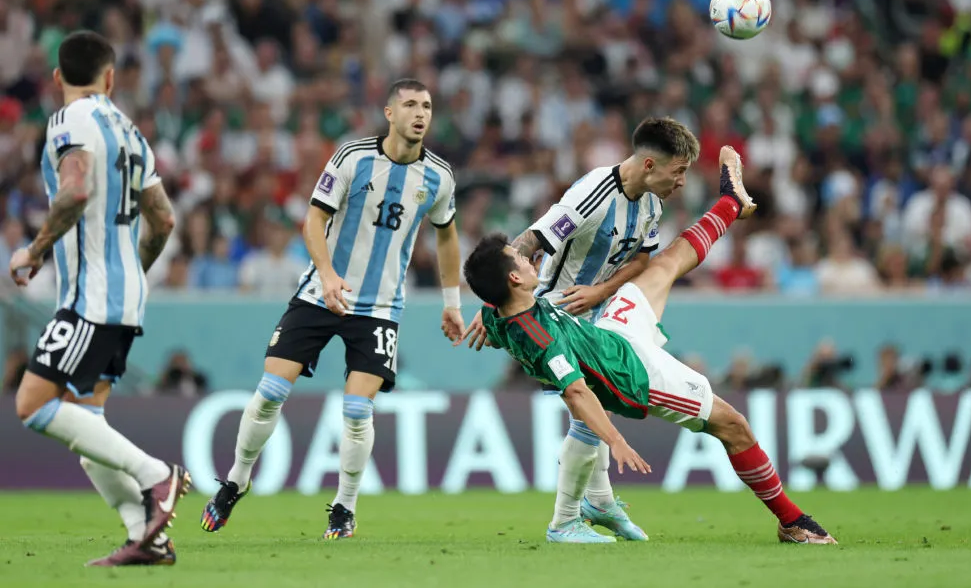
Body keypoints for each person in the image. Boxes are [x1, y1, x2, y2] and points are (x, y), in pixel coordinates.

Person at [463, 147, 837, 545]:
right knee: (733, 425)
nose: (529, 259)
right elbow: (576, 392)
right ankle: (792, 521)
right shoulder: (539, 330)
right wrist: (618, 441)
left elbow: (504, 292)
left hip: (612, 331)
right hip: (633, 374)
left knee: (667, 263)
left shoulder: (503, 311)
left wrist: (488, 303)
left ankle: (731, 203)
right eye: (517, 261)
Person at [200, 79, 466, 539]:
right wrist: (326, 276)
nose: (420, 113)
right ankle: (237, 481)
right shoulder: (352, 157)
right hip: (319, 295)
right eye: (409, 105)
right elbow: (315, 220)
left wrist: (451, 302)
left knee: (358, 411)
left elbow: (446, 235)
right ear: (389, 113)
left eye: (426, 106)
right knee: (268, 393)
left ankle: (343, 508)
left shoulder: (439, 176)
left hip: (380, 307)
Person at [461, 116, 698, 542]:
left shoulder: (652, 205)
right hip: (553, 311)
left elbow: (642, 260)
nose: (682, 181)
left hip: (596, 309)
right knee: (586, 403)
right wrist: (493, 299)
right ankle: (567, 520)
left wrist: (601, 290)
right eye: (678, 170)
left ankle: (600, 503)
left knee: (595, 406)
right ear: (649, 164)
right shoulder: (592, 195)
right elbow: (529, 242)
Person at [9, 30, 188, 566]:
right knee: (86, 427)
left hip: (91, 296)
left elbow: (77, 188)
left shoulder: (70, 119)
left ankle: (158, 475)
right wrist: (134, 271)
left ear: (59, 78)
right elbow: (164, 219)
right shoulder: (132, 133)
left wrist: (36, 249)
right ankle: (145, 537)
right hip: (125, 295)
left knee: (32, 405)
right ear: (111, 78)